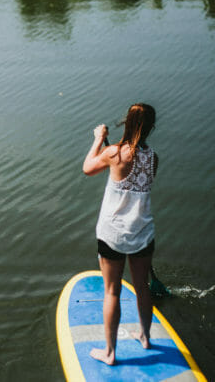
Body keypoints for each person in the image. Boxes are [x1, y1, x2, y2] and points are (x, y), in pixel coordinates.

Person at [82, 103, 158, 366]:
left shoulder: (114, 153)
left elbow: (88, 168)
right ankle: (145, 336)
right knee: (142, 287)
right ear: (151, 128)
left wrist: (98, 140)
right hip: (142, 234)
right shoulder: (153, 158)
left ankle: (111, 353)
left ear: (126, 123)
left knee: (112, 291)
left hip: (113, 234)